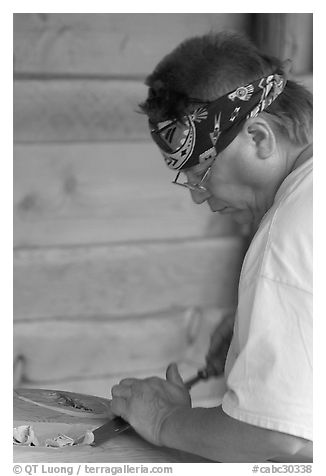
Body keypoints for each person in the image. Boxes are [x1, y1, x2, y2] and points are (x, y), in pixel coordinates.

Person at [111, 31, 313, 462]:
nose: (198, 196)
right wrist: (262, 324)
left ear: (258, 138)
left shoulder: (288, 233)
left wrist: (165, 421)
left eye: (201, 173)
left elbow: (272, 439)